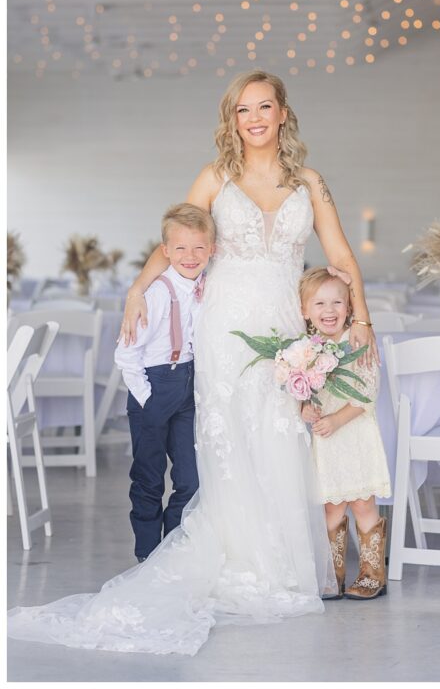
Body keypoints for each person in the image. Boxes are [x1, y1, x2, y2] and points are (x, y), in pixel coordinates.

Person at [8, 70, 377, 656]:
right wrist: (137, 290)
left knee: (282, 438)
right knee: (229, 441)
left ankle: (284, 564)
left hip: (286, 325)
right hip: (226, 328)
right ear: (231, 119)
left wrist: (361, 317)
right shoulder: (215, 176)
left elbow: (338, 252)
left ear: (283, 113)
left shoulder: (310, 181)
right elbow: (176, 240)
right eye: (241, 110)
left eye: (264, 106)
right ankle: (238, 556)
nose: (253, 118)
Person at [113, 203, 213, 563]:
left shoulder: (206, 286)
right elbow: (126, 356)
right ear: (165, 251)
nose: (190, 256)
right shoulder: (154, 295)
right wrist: (146, 398)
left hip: (187, 389)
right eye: (181, 248)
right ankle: (146, 554)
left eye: (199, 247)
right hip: (153, 388)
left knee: (190, 478)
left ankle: (169, 553)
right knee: (149, 478)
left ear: (211, 250)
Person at [297, 267, 392, 600]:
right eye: (320, 303)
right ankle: (332, 574)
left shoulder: (357, 341)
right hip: (327, 442)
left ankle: (371, 573)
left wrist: (338, 419)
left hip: (355, 434)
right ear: (305, 310)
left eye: (337, 302)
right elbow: (302, 391)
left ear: (350, 307)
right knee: (331, 508)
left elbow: (367, 392)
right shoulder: (305, 349)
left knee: (363, 504)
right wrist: (304, 409)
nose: (329, 310)